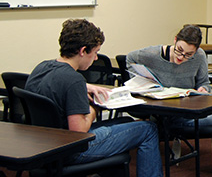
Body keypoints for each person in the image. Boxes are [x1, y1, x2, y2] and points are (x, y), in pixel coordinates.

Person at [25, 19, 162, 177]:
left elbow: (56, 85)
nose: (96, 58)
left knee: (126, 123)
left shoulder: (42, 67)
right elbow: (79, 132)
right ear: (83, 51)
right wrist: (94, 107)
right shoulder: (73, 80)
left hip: (43, 147)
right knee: (148, 129)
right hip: (71, 150)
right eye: (95, 52)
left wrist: (86, 86)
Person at [127, 24, 212, 177]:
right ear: (175, 40)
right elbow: (129, 59)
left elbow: (204, 83)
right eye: (179, 50)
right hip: (171, 112)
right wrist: (145, 84)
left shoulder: (199, 56)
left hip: (192, 104)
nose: (181, 57)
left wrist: (203, 90)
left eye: (188, 54)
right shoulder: (152, 54)